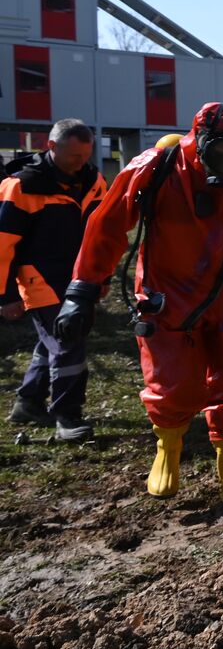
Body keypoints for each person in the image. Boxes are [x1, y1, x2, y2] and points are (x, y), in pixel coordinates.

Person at [56, 102, 223, 510]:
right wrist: (82, 288)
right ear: (199, 142)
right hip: (167, 298)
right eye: (221, 151)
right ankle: (168, 451)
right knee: (170, 385)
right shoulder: (157, 167)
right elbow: (109, 223)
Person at [1, 119, 106, 441]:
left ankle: (28, 402)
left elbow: (103, 236)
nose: (81, 162)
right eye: (74, 155)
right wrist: (4, 296)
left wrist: (103, 277)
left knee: (54, 342)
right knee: (68, 342)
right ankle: (67, 416)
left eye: (86, 155)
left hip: (80, 279)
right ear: (51, 147)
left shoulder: (94, 182)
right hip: (40, 280)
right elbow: (3, 245)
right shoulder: (20, 187)